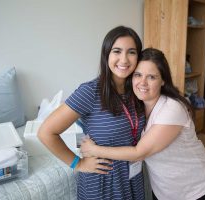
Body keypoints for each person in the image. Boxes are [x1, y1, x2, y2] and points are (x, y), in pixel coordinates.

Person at [81, 48, 205, 200]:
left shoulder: (172, 108)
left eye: (151, 77)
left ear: (163, 80)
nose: (143, 82)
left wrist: (94, 149)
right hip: (165, 191)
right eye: (138, 75)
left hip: (197, 188)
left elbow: (139, 152)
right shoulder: (137, 106)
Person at [38, 26, 146, 200]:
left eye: (131, 52)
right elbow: (46, 132)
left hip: (133, 177)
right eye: (117, 51)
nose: (124, 59)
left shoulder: (137, 90)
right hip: (104, 183)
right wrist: (78, 163)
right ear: (106, 55)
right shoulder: (90, 91)